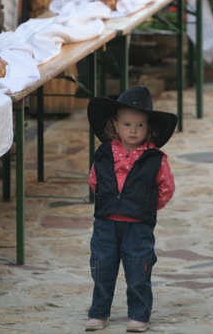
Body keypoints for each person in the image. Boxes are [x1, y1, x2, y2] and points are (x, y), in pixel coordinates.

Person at [85, 86, 178, 332]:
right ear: (115, 126)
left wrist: (145, 206)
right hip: (106, 222)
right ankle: (98, 312)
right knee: (102, 267)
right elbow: (94, 180)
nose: (133, 130)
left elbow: (166, 187)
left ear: (149, 128)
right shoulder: (104, 153)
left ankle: (138, 315)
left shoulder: (155, 158)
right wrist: (110, 200)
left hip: (138, 225)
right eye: (127, 124)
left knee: (138, 269)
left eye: (140, 125)